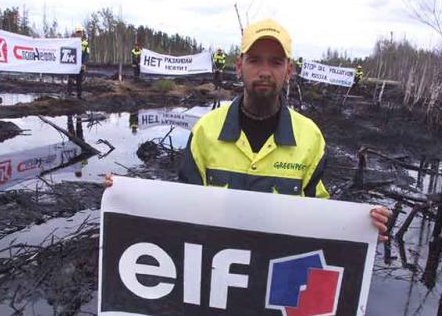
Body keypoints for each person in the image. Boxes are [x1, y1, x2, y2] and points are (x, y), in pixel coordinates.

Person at [106, 19, 390, 241]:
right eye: (255, 60)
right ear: (240, 66)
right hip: (214, 278)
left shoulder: (310, 138)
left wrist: (360, 230)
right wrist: (126, 198)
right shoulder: (206, 131)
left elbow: (322, 217)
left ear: (289, 70)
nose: (265, 71)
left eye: (276, 62)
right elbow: (184, 206)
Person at [68, 26, 90, 99]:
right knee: (71, 79)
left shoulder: (85, 43)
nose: (79, 33)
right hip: (72, 64)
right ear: (75, 33)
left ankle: (79, 95)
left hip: (81, 65)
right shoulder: (71, 41)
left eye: (80, 32)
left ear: (82, 33)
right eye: (78, 32)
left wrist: (84, 63)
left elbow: (87, 54)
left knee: (79, 80)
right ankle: (69, 94)